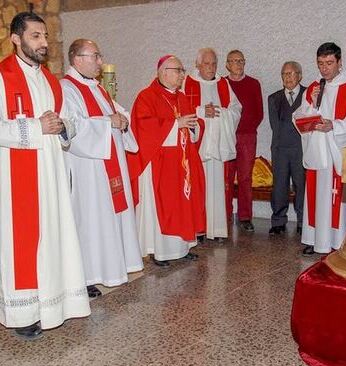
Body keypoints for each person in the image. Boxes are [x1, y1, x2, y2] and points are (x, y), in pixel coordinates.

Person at [0, 12, 90, 339]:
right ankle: (23, 313)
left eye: (45, 36)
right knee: (22, 243)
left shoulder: (51, 80)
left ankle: (53, 306)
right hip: (15, 179)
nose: (43, 42)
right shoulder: (2, 76)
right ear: (16, 39)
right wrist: (36, 127)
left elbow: (71, 120)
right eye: (36, 36)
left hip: (50, 175)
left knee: (53, 237)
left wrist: (64, 125)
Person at [61, 39, 143, 296]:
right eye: (95, 56)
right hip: (89, 169)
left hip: (110, 164)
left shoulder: (97, 87)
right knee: (91, 219)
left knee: (109, 215)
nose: (100, 61)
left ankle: (112, 266)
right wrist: (108, 121)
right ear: (77, 59)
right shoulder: (66, 88)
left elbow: (122, 115)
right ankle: (88, 275)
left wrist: (121, 121)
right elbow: (71, 126)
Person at [128, 55, 205, 267]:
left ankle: (184, 246)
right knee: (164, 206)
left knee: (184, 204)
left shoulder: (181, 97)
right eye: (178, 70)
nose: (182, 75)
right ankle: (158, 251)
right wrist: (175, 124)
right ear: (163, 72)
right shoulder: (146, 96)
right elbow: (143, 127)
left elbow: (193, 127)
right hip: (159, 164)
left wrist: (192, 127)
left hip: (182, 163)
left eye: (182, 70)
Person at [295, 42, 346, 256]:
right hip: (318, 153)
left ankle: (338, 241)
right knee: (316, 196)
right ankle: (315, 239)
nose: (324, 68)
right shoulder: (314, 88)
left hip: (337, 153)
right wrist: (313, 103)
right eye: (320, 63)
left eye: (329, 63)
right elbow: (299, 117)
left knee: (336, 197)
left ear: (339, 62)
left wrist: (333, 126)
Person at [182, 48, 242, 240]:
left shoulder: (223, 83)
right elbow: (181, 109)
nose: (210, 67)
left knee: (217, 187)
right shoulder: (187, 83)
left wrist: (221, 114)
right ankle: (198, 229)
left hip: (217, 147)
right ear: (197, 65)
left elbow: (236, 109)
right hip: (197, 146)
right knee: (198, 186)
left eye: (214, 63)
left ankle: (216, 230)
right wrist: (200, 112)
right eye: (206, 63)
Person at [225, 50, 264, 232]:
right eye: (234, 61)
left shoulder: (253, 84)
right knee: (225, 177)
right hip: (227, 136)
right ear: (227, 65)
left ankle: (245, 216)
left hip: (247, 137)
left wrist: (247, 129)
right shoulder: (222, 84)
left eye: (241, 61)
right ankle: (224, 215)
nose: (238, 64)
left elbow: (259, 113)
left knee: (245, 177)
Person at [268, 61, 306, 235]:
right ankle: (278, 221)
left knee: (301, 185)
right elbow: (275, 126)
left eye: (291, 73)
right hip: (280, 149)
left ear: (299, 75)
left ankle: (302, 222)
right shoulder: (274, 98)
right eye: (284, 74)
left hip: (301, 148)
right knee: (279, 186)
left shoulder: (308, 95)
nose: (288, 77)